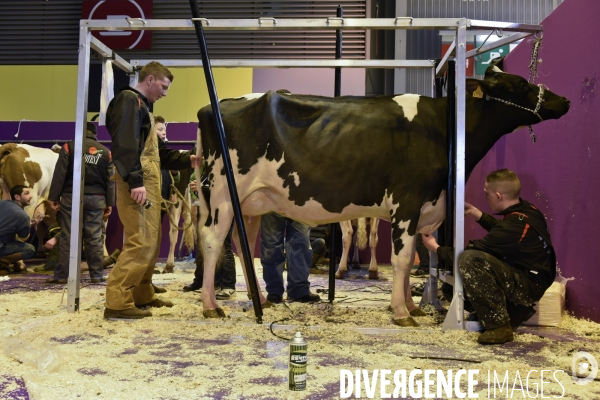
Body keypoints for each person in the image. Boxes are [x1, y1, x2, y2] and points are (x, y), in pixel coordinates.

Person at [104, 61, 197, 319]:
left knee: (152, 240)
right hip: (139, 183)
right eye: (164, 87)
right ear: (151, 79)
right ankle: (117, 300)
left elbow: (159, 152)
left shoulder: (144, 107)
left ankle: (142, 291)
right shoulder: (128, 102)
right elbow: (124, 144)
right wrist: (135, 182)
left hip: (149, 183)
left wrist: (187, 159)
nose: (165, 93)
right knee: (141, 240)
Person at [421, 169, 556, 344]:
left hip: (529, 286)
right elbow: (503, 231)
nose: (486, 197)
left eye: (487, 194)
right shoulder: (527, 211)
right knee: (450, 287)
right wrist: (478, 214)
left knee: (470, 260)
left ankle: (499, 326)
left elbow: (470, 252)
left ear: (498, 195)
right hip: (528, 276)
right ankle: (510, 310)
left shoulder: (514, 227)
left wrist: (436, 247)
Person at [46, 122, 115, 284]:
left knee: (68, 235)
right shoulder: (106, 152)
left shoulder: (68, 147)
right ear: (95, 134)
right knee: (95, 238)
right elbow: (110, 181)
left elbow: (59, 173)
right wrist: (109, 203)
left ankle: (62, 276)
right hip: (97, 198)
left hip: (72, 196)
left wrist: (54, 197)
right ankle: (96, 275)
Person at [183, 167, 236, 300]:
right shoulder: (205, 165)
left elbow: (225, 188)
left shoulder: (226, 161)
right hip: (206, 207)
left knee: (224, 245)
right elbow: (194, 181)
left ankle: (228, 285)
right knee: (207, 245)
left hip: (223, 208)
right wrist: (197, 196)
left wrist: (202, 188)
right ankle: (212, 282)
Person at [261, 213, 320, 303]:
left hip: (299, 200)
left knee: (301, 240)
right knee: (271, 242)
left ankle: (298, 290)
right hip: (271, 200)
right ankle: (274, 290)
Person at [0, 185, 36, 273]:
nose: (31, 196)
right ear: (17, 197)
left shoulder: (2, 203)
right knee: (30, 249)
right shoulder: (22, 216)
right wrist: (29, 225)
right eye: (26, 193)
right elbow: (23, 237)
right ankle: (2, 262)